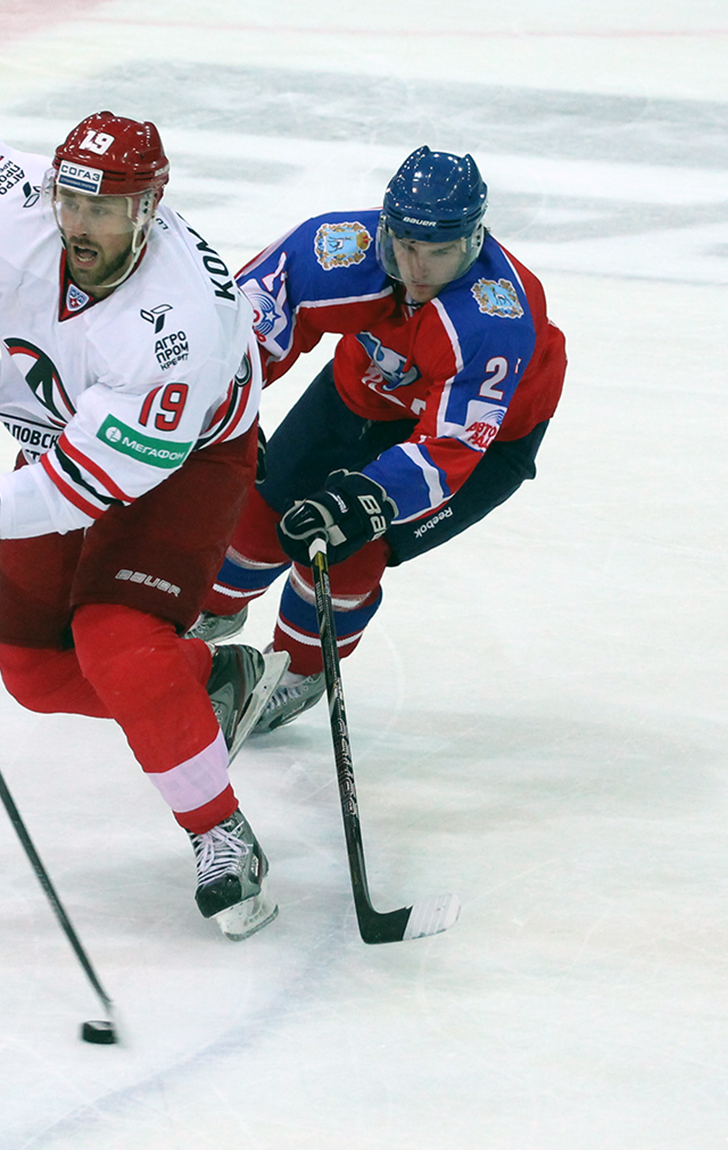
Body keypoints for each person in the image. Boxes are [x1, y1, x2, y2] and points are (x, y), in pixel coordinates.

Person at [0, 112, 288, 941]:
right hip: (63, 438)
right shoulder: (22, 203)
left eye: (104, 210)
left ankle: (219, 832)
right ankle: (211, 682)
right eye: (70, 200)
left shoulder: (176, 328)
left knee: (116, 638)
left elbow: (90, 485)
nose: (78, 225)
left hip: (187, 459)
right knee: (33, 673)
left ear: (149, 209)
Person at [189, 147, 567, 734]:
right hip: (364, 392)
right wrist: (222, 409)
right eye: (406, 246)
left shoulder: (493, 320)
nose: (418, 270)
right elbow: (242, 332)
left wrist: (364, 499)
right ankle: (208, 610)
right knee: (261, 512)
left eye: (440, 252)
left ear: (475, 241)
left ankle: (297, 670)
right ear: (385, 228)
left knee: (351, 547)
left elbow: (450, 447)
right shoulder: (333, 249)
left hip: (485, 440)